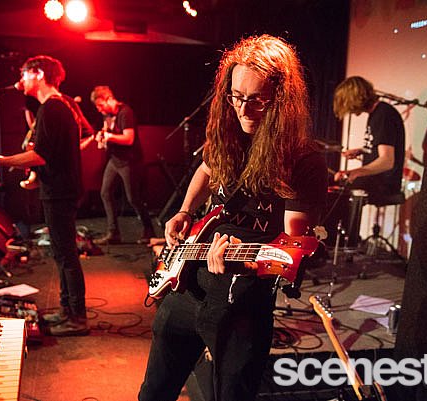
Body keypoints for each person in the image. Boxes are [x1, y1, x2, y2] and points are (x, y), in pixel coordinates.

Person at [138, 35, 327, 401]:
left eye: (256, 99)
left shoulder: (303, 161)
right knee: (153, 393)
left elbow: (290, 250)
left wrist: (245, 260)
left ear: (282, 101)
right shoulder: (229, 134)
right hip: (188, 285)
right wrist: (185, 211)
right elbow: (206, 169)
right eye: (236, 97)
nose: (243, 109)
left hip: (243, 305)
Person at [0, 55, 91, 336]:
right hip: (60, 190)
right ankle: (68, 311)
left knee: (66, 255)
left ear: (38, 74)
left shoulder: (52, 107)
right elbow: (54, 155)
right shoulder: (58, 106)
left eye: (24, 73)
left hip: (60, 193)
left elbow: (40, 155)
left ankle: (77, 318)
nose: (20, 80)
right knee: (62, 254)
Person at [90, 85, 155, 245]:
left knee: (133, 198)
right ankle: (113, 233)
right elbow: (106, 134)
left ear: (109, 99)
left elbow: (129, 138)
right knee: (105, 193)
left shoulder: (125, 112)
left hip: (129, 162)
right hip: (115, 160)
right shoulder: (107, 115)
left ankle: (149, 230)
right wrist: (102, 139)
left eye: (100, 105)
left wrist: (109, 137)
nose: (99, 109)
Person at [333, 76, 405, 198]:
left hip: (383, 184)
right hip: (376, 180)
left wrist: (357, 172)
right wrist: (362, 150)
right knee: (333, 184)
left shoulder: (383, 114)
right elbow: (381, 145)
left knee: (334, 192)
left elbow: (387, 161)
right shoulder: (377, 113)